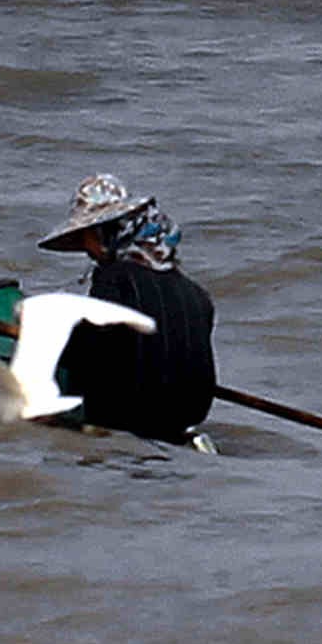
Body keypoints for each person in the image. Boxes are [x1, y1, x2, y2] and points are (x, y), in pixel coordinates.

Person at [31, 175, 218, 446]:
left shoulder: (114, 278)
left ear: (107, 233)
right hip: (183, 417)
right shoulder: (197, 294)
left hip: (128, 418)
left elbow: (94, 350)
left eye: (87, 238)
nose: (87, 249)